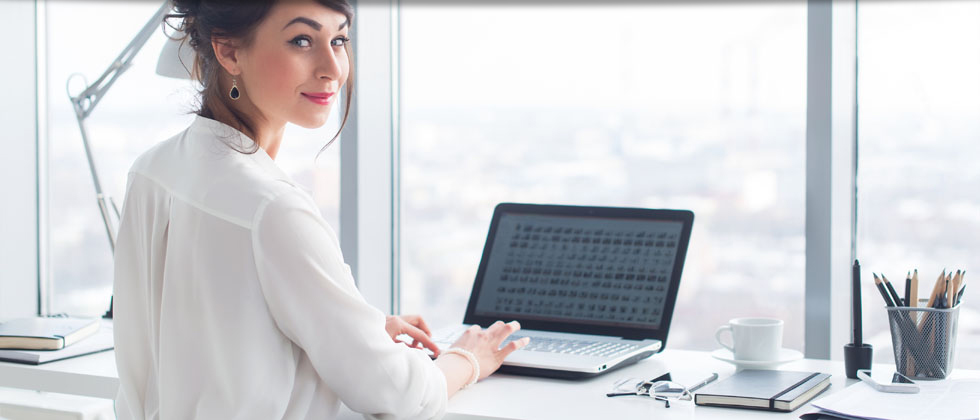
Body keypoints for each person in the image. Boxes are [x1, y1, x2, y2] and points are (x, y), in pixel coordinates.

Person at [112, 1, 528, 418]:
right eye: (302, 40)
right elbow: (399, 396)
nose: (333, 67)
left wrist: (349, 332)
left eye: (340, 39)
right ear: (229, 52)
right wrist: (467, 359)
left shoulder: (151, 170)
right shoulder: (272, 208)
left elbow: (203, 338)